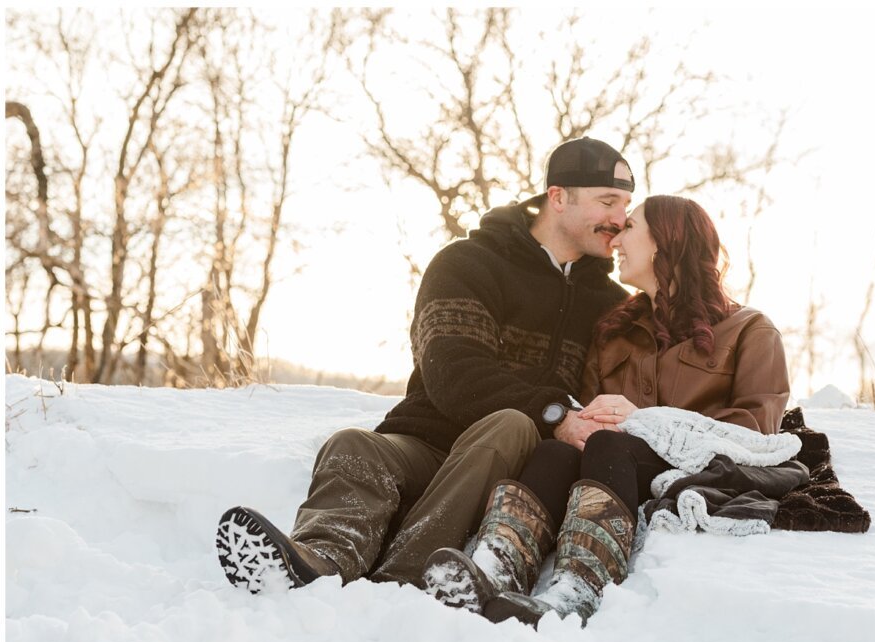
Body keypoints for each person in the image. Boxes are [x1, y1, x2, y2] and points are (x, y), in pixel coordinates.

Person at [215, 137, 636, 593]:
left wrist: (551, 419)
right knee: (355, 445)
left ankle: (403, 577)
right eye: (607, 201)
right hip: (429, 441)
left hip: (515, 462)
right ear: (558, 197)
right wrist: (554, 413)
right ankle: (318, 559)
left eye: (626, 204)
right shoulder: (470, 264)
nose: (620, 219)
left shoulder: (610, 305)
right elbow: (454, 372)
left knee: (512, 425)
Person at [423, 194, 791, 625]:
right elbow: (585, 412)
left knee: (608, 446)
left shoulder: (750, 330)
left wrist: (643, 422)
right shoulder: (614, 335)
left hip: (698, 470)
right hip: (610, 467)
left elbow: (756, 431)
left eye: (630, 227)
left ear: (666, 243)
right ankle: (494, 567)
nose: (616, 237)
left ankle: (577, 588)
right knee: (556, 452)